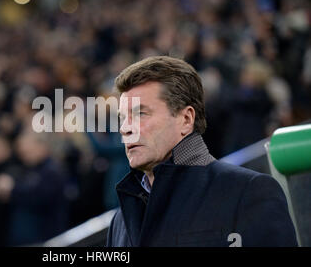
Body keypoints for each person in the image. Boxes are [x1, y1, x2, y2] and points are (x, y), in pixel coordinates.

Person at [106, 56, 297, 247]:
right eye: (123, 118)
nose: (125, 128)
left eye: (141, 113)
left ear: (186, 119)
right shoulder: (120, 222)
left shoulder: (248, 192)